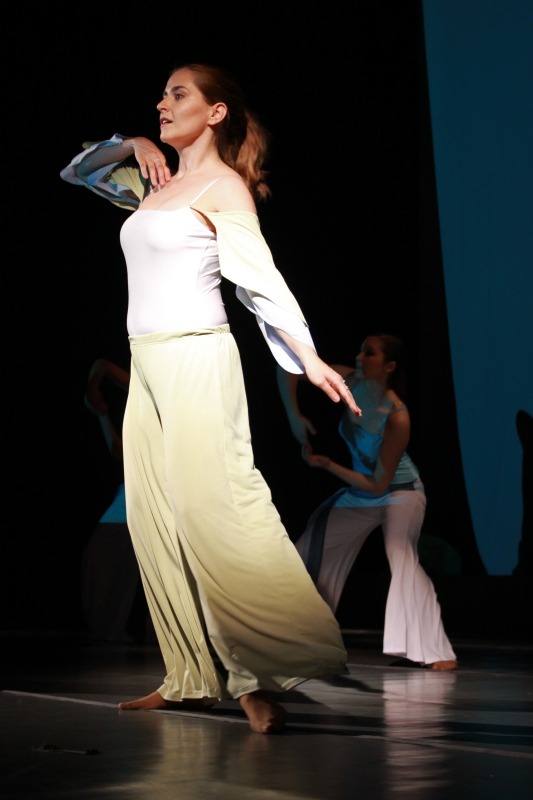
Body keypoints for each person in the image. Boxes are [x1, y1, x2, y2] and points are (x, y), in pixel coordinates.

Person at [60, 62, 362, 734]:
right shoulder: (153, 182)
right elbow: (77, 172)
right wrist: (133, 143)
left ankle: (258, 676)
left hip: (197, 355)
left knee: (215, 509)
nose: (162, 103)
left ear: (216, 111)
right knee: (153, 519)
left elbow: (260, 280)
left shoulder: (224, 188)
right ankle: (189, 678)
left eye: (178, 94)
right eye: (163, 95)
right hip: (147, 363)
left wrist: (307, 357)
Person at [277, 333, 458, 670]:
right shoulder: (348, 379)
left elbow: (379, 484)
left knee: (400, 554)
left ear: (389, 366)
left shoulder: (397, 414)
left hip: (401, 493)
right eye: (361, 350)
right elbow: (288, 367)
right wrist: (294, 415)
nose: (360, 357)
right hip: (363, 492)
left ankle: (436, 651)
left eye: (370, 353)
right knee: (312, 548)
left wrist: (328, 465)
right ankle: (304, 641)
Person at [81, 358, 147, 643]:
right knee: (102, 563)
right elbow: (103, 366)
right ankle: (111, 632)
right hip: (132, 499)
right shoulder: (148, 390)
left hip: (162, 500)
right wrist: (95, 396)